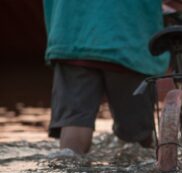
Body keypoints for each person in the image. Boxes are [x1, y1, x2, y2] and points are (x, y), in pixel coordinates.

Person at [43, 0, 169, 154]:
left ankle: (69, 171)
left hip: (70, 34)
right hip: (129, 39)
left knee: (74, 121)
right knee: (135, 137)